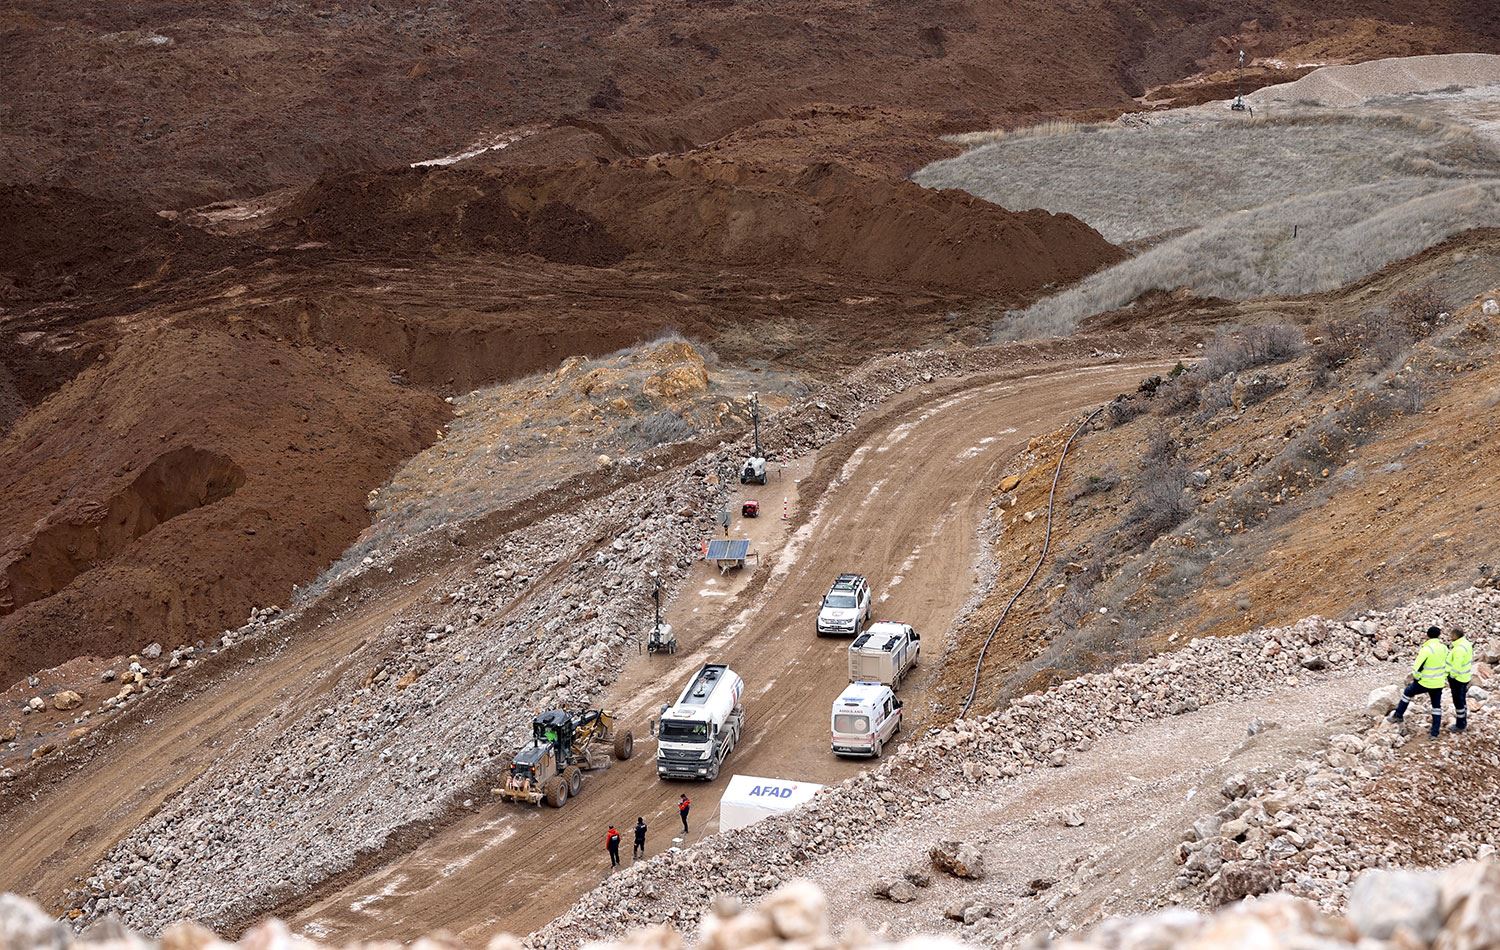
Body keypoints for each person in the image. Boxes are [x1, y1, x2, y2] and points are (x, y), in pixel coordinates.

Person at [1390, 626, 1448, 738]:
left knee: (1407, 692)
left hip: (1425, 682)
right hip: (1439, 683)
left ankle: (1398, 715)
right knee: (1436, 706)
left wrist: (1417, 678)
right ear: (1439, 635)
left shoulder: (1426, 649)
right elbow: (1448, 664)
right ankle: (1434, 733)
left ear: (1427, 635)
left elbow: (1416, 668)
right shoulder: (1444, 648)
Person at [1447, 626, 1474, 733]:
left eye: (1451, 634)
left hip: (1457, 679)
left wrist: (1451, 676)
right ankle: (1463, 721)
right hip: (1465, 677)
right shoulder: (1466, 644)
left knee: (1458, 702)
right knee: (1462, 700)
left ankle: (1460, 725)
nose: (1450, 636)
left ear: (1455, 635)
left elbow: (1456, 666)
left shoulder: (1459, 649)